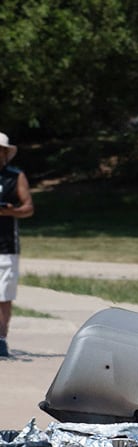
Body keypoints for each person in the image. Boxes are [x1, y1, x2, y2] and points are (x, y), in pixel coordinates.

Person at [0, 133, 35, 359]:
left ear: (4, 153)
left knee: (3, 296)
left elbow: (28, 208)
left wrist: (9, 211)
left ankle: (1, 340)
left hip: (5, 245)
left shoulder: (15, 176)